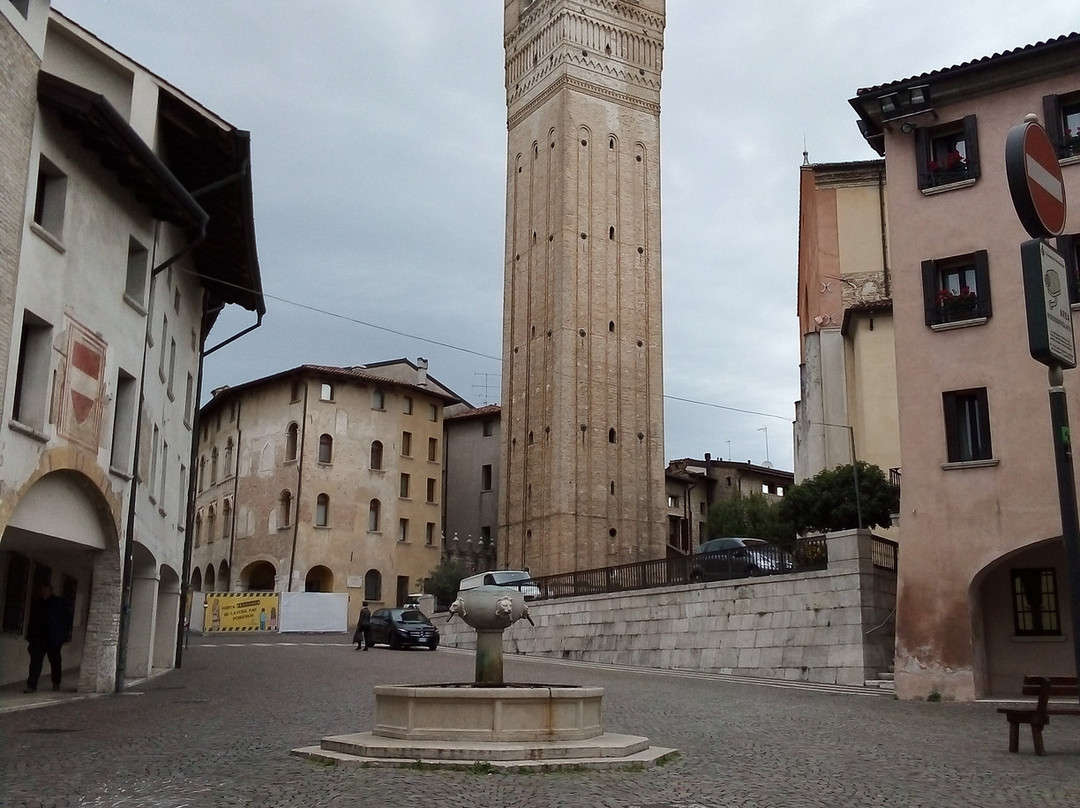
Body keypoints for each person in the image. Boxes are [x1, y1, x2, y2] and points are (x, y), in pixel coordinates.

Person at [25, 583, 72, 693]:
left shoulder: (59, 603)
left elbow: (66, 620)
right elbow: (32, 621)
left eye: (47, 591)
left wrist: (63, 635)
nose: (45, 593)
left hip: (54, 638)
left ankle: (56, 682)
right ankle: (31, 685)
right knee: (35, 662)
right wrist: (30, 636)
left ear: (51, 591)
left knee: (55, 661)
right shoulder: (37, 604)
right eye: (43, 591)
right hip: (38, 638)